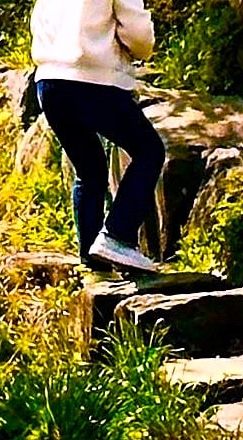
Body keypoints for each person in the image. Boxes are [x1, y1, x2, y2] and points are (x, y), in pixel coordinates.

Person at [31, 0, 165, 273]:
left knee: (90, 171)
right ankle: (118, 235)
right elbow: (140, 36)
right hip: (92, 80)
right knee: (149, 151)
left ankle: (92, 258)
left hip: (49, 83)